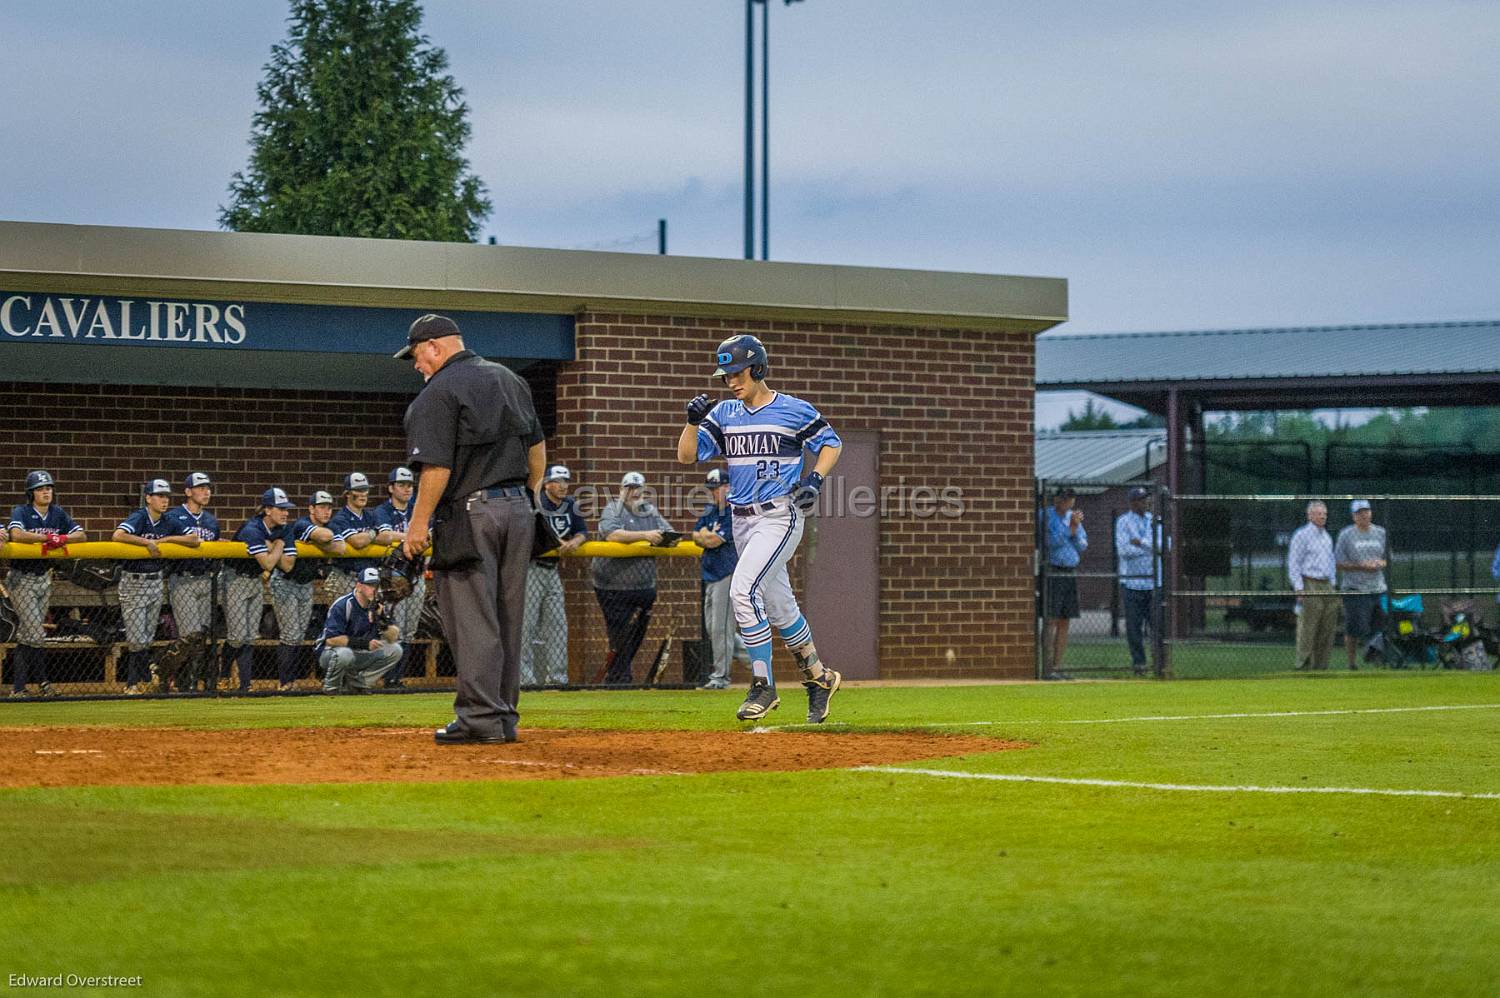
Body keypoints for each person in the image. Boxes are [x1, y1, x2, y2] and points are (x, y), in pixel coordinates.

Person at [676, 333, 845, 723]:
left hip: (779, 514)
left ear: (759, 368)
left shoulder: (793, 410)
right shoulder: (724, 414)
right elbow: (686, 456)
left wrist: (815, 479)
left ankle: (762, 684)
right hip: (741, 519)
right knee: (781, 607)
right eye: (726, 376)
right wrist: (691, 422)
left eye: (739, 373)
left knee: (742, 590)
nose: (732, 381)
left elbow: (831, 443)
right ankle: (819, 679)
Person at [396, 313, 544, 744]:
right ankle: (503, 718)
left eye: (417, 355)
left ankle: (481, 719)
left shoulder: (437, 391)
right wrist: (528, 497)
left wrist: (417, 525)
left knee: (473, 619)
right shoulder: (509, 380)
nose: (415, 365)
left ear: (435, 347)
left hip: (471, 514)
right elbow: (537, 447)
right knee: (507, 619)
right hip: (518, 509)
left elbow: (437, 467)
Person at [112, 478, 201, 694]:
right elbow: (118, 535)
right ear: (148, 498)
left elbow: (194, 540)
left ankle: (144, 681)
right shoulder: (140, 516)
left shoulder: (168, 520)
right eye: (160, 496)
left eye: (167, 496)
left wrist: (167, 540)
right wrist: (146, 542)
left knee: (147, 637)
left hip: (155, 581)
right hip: (134, 581)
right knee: (136, 638)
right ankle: (133, 683)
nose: (164, 500)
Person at [7, 471, 87, 697]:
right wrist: (46, 538)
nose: (46, 492)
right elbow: (16, 534)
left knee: (28, 633)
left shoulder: (57, 513)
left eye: (49, 488)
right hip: (22, 578)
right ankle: (41, 683)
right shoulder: (22, 511)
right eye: (41, 489)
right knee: (34, 632)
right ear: (31, 493)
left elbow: (81, 535)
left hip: (44, 578)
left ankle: (21, 688)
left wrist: (62, 538)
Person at [592, 471, 675, 685]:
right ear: (621, 490)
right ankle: (620, 678)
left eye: (638, 488)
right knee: (619, 634)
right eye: (629, 488)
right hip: (612, 585)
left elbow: (669, 533)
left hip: (643, 586)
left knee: (636, 634)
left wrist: (665, 538)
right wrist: (645, 536)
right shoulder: (613, 509)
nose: (634, 492)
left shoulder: (649, 511)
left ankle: (618, 677)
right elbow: (612, 535)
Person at [221, 488, 295, 693]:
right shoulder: (252, 528)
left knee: (250, 635)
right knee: (237, 635)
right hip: (234, 579)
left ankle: (245, 685)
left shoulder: (284, 528)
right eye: (281, 509)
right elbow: (268, 564)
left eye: (286, 509)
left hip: (255, 581)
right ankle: (222, 674)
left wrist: (274, 545)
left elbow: (288, 566)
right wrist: (278, 545)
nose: (286, 513)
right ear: (268, 510)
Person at [271, 490, 345, 691]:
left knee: (299, 634)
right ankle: (285, 683)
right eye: (321, 507)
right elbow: (326, 536)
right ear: (311, 508)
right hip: (285, 581)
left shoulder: (332, 524)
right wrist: (323, 539)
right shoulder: (302, 523)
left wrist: (321, 542)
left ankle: (293, 681)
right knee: (290, 634)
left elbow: (340, 549)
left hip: (305, 585)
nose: (326, 511)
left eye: (329, 507)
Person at [521, 464, 588, 686]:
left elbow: (582, 531)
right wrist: (558, 542)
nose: (562, 486)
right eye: (557, 481)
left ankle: (558, 679)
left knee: (559, 624)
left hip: (553, 570)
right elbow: (536, 531)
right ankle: (525, 679)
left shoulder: (570, 504)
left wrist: (575, 541)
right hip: (532, 569)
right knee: (526, 625)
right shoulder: (537, 502)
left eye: (565, 482)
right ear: (547, 483)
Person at [162, 471, 221, 692]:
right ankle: (172, 677)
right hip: (183, 578)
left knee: (201, 635)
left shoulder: (211, 521)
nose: (206, 492)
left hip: (205, 579)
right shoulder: (174, 516)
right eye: (200, 488)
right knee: (189, 635)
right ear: (188, 492)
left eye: (208, 488)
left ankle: (191, 682)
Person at [373, 466, 425, 688]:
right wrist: (413, 536)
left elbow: (430, 534)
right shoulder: (382, 511)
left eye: (410, 485)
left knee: (410, 630)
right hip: (392, 576)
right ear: (391, 488)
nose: (406, 489)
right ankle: (388, 677)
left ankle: (397, 678)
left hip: (416, 574)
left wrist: (407, 538)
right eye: (402, 485)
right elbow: (384, 536)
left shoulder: (417, 509)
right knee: (395, 627)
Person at [315, 566, 402, 694]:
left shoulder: (378, 605)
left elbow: (393, 637)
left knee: (395, 650)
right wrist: (364, 644)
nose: (374, 589)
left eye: (376, 585)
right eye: (370, 585)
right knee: (345, 654)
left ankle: (358, 684)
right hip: (330, 654)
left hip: (360, 653)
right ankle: (331, 688)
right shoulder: (344, 604)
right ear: (359, 586)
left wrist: (382, 620)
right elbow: (331, 640)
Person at [693, 468, 739, 689]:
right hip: (710, 573)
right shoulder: (710, 511)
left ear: (728, 487)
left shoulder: (734, 511)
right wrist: (704, 537)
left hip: (726, 573)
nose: (713, 493)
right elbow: (695, 535)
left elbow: (713, 541)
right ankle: (757, 661)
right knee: (715, 629)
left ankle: (721, 677)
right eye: (711, 489)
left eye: (717, 488)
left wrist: (705, 537)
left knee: (721, 629)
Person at [1335, 498, 1389, 669]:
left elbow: (1387, 558)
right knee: (1354, 628)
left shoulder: (1381, 532)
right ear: (1353, 516)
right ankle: (1351, 663)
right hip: (1355, 589)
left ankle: (1378, 661)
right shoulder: (1346, 535)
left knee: (1380, 627)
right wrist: (1362, 566)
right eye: (1359, 512)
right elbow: (1338, 562)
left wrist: (1381, 564)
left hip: (1378, 588)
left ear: (1371, 512)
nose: (1363, 515)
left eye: (1366, 511)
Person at [1287, 499, 1338, 671]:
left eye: (1324, 514)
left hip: (1327, 584)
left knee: (1327, 627)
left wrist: (1333, 584)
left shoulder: (1327, 536)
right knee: (1308, 626)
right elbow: (1294, 562)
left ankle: (1321, 665)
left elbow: (1331, 562)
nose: (1322, 516)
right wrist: (1299, 587)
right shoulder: (1301, 535)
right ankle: (1303, 663)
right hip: (1310, 582)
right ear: (1310, 515)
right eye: (1318, 513)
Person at [1042, 486, 1087, 680]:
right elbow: (1051, 542)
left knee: (1064, 620)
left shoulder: (1073, 517)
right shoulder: (1046, 516)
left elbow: (1083, 545)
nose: (1067, 503)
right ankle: (1047, 667)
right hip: (1053, 570)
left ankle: (1058, 667)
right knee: (1051, 619)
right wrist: (1071, 529)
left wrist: (1075, 530)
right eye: (1063, 499)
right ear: (1056, 500)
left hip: (1070, 571)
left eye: (1070, 499)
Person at [1113, 485, 1158, 676]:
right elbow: (1124, 551)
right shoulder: (1123, 522)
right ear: (1132, 502)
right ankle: (1139, 665)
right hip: (1131, 583)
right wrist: (1149, 548)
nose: (1145, 502)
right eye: (1140, 499)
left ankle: (1159, 664)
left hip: (1153, 582)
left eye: (1146, 499)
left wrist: (1141, 543)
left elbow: (1164, 546)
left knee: (1157, 626)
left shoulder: (1155, 521)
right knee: (1134, 628)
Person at [328, 472, 380, 596]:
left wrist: (368, 536)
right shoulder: (341, 518)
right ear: (347, 494)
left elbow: (386, 537)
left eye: (365, 490)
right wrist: (374, 533)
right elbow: (358, 542)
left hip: (370, 577)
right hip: (346, 576)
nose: (363, 494)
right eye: (358, 490)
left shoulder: (371, 515)